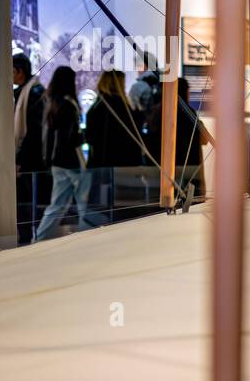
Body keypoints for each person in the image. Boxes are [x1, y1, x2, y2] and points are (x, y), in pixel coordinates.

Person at [33, 66, 97, 241]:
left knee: (57, 204)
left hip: (57, 162)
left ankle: (39, 238)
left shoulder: (53, 103)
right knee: (84, 202)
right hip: (72, 161)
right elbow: (72, 136)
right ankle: (88, 238)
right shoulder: (69, 104)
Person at [85, 69, 148, 224]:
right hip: (125, 167)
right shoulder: (125, 108)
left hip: (103, 167)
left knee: (103, 212)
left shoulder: (97, 107)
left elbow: (91, 137)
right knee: (124, 213)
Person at [147, 78, 206, 199]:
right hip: (189, 167)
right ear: (184, 91)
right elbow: (204, 139)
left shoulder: (158, 112)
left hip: (164, 170)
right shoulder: (189, 113)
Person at [12, 52, 49, 243]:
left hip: (31, 162)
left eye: (12, 70)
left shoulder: (34, 92)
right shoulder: (23, 92)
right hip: (25, 159)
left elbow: (34, 132)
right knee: (23, 206)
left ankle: (30, 242)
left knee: (28, 205)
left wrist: (19, 159)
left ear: (19, 71)